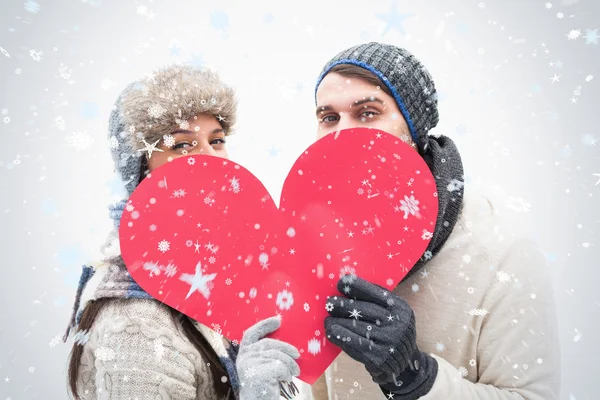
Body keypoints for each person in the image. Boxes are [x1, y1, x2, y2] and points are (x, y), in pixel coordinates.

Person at [306, 42, 561, 399]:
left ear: (414, 126)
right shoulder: (318, 239)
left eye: (367, 112)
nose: (342, 134)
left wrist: (418, 379)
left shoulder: (501, 251)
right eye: (329, 117)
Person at [63, 65, 301, 400]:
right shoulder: (137, 325)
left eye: (216, 140)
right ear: (143, 174)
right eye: (182, 145)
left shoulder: (233, 280)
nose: (210, 157)